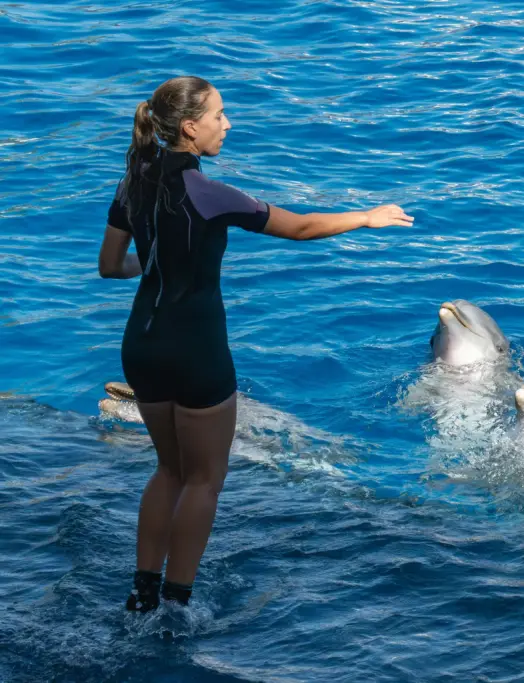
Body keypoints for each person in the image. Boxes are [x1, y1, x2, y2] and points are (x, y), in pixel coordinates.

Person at [98, 76, 413, 612]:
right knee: (203, 480)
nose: (228, 124)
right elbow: (301, 227)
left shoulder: (134, 181)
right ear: (191, 128)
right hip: (197, 351)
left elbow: (110, 267)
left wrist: (152, 266)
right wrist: (365, 216)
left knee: (167, 471)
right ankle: (177, 606)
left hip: (142, 346)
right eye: (219, 115)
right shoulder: (209, 192)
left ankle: (142, 593)